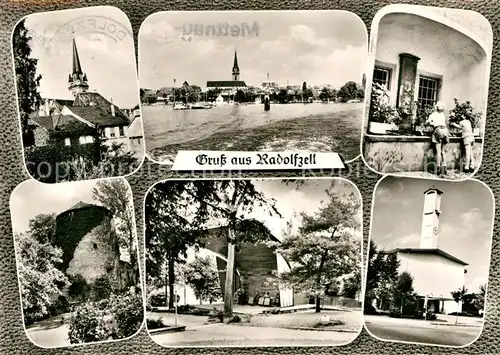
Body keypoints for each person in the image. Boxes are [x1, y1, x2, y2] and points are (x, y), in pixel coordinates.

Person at [426, 101, 450, 176]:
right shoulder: (443, 115)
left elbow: (428, 122)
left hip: (438, 130)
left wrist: (428, 123)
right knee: (443, 151)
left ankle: (438, 169)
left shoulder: (433, 115)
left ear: (436, 107)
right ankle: (444, 168)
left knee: (438, 151)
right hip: (445, 130)